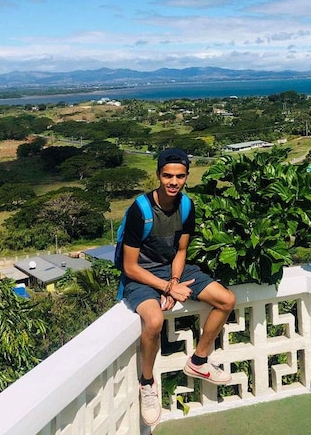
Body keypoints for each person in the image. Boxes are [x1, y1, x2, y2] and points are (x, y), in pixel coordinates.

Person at [120, 147, 236, 428]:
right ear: (158, 175)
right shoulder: (141, 210)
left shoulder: (185, 206)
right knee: (154, 320)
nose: (173, 182)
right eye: (167, 176)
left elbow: (181, 250)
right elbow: (130, 267)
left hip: (172, 271)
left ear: (186, 176)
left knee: (226, 299)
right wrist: (166, 288)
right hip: (140, 276)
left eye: (180, 176)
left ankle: (199, 360)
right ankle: (147, 382)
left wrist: (173, 282)